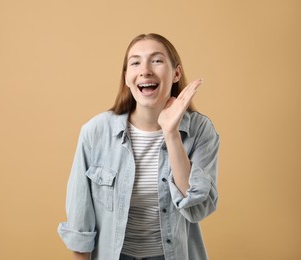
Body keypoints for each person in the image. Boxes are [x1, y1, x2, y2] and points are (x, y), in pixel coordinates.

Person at [57, 33, 220, 260]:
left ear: (176, 74)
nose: (145, 70)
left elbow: (195, 206)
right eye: (135, 62)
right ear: (126, 77)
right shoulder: (95, 132)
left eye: (156, 60)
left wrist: (171, 133)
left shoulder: (201, 130)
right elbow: (79, 224)